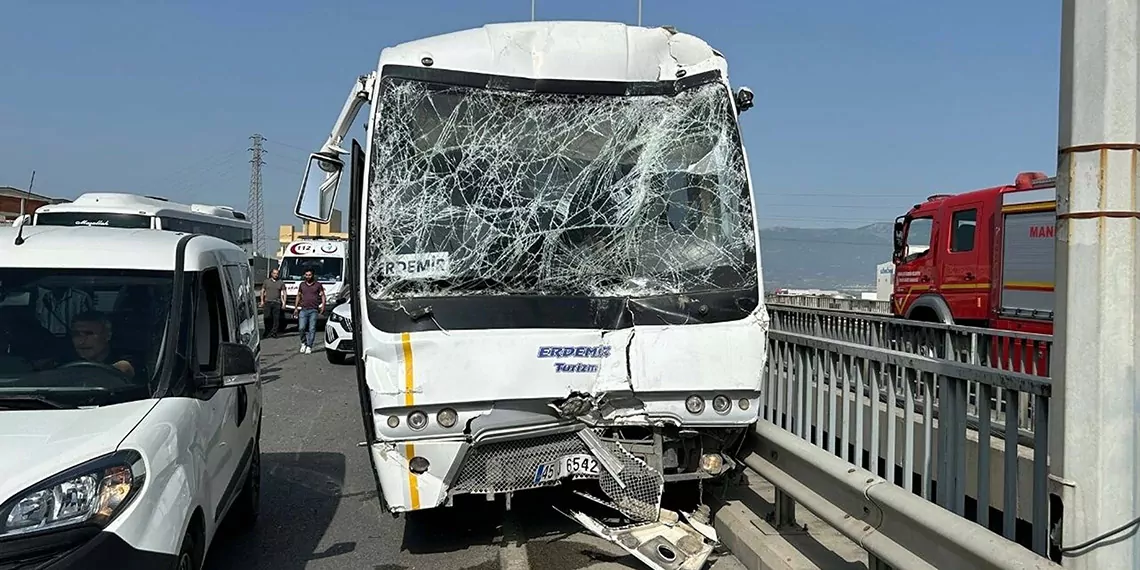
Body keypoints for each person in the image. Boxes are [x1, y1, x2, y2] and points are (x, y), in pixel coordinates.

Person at [67, 311, 137, 379]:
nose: (81, 342)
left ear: (108, 335)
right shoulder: (65, 362)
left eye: (89, 333)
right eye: (76, 335)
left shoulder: (125, 361)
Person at [293, 269, 325, 354]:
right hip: (303, 309)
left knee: (312, 329)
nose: (308, 276)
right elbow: (298, 295)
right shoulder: (302, 285)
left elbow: (322, 295)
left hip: (313, 310)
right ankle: (303, 343)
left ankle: (309, 346)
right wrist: (296, 308)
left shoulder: (318, 285)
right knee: (301, 328)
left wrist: (323, 306)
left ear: (313, 275)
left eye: (309, 275)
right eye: (306, 275)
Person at [260, 268, 286, 338]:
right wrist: (262, 300)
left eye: (277, 273)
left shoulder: (281, 282)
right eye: (274, 273)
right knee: (267, 317)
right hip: (267, 302)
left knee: (276, 318)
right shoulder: (266, 281)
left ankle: (274, 332)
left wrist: (284, 303)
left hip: (277, 302)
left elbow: (284, 293)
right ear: (271, 274)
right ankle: (267, 331)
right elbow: (262, 291)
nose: (276, 275)